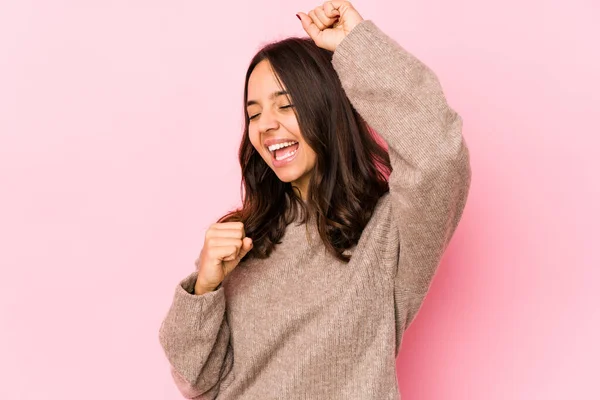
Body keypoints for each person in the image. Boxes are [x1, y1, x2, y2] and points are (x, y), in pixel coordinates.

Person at [158, 1, 471, 399]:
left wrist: (356, 47)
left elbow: (438, 154)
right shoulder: (245, 238)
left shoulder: (388, 234)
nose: (266, 125)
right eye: (254, 114)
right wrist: (205, 286)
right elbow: (196, 382)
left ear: (325, 108)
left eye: (285, 105)